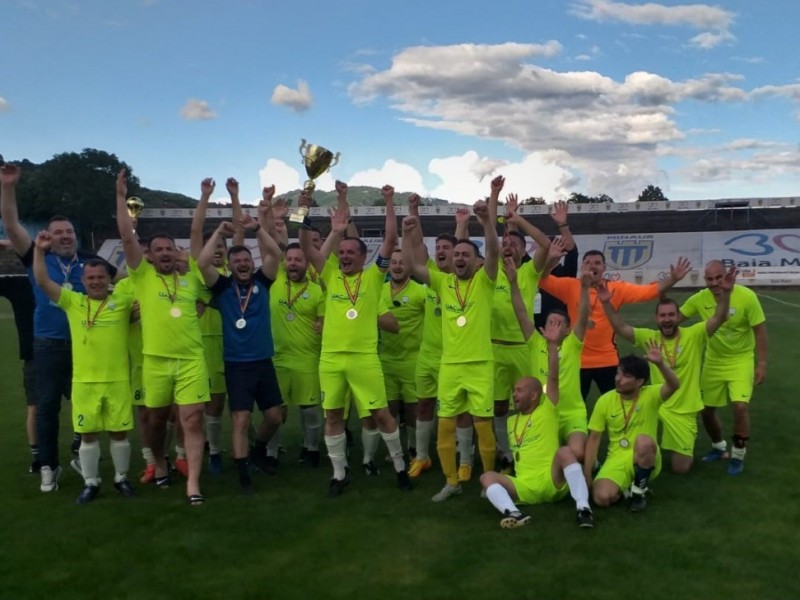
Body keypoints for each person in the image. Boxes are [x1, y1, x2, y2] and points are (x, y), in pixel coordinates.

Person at [1, 162, 117, 493]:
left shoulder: (90, 261)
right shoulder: (36, 256)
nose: (65, 236)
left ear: (75, 236)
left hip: (84, 344)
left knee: (87, 405)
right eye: (58, 232)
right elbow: (11, 223)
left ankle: (81, 453)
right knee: (47, 408)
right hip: (47, 344)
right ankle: (49, 466)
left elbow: (126, 280)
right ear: (48, 237)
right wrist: (7, 186)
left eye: (69, 231)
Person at [301, 181, 411, 496]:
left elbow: (390, 239)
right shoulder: (331, 275)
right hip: (331, 359)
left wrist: (389, 201)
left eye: (351, 252)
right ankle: (339, 474)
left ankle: (400, 467)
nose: (344, 256)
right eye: (342, 252)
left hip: (364, 359)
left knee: (381, 414)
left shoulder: (375, 276)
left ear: (363, 256)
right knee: (333, 415)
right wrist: (306, 206)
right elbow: (306, 247)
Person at [401, 176, 502, 502]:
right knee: (445, 425)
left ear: (475, 260)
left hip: (480, 365)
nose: (459, 257)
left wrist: (486, 220)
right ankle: (451, 482)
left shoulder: (485, 281)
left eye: (465, 254)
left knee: (482, 425)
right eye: (456, 254)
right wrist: (405, 233)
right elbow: (413, 265)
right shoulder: (443, 283)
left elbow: (494, 249)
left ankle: (489, 482)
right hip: (450, 366)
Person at [116, 169, 209, 505]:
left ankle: (193, 484)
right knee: (155, 421)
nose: (165, 253)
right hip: (155, 362)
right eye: (159, 249)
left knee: (192, 419)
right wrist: (120, 197)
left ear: (176, 251)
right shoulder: (141, 277)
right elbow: (127, 238)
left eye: (170, 248)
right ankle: (160, 461)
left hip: (191, 360)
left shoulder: (192, 278)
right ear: (150, 255)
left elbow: (197, 236)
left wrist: (204, 198)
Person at [33, 231, 136, 503]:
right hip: (84, 382)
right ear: (83, 281)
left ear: (109, 279)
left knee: (119, 432)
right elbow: (42, 281)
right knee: (88, 435)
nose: (96, 281)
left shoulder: (123, 301)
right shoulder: (73, 302)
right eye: (91, 278)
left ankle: (121, 478)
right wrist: (39, 251)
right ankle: (91, 483)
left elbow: (142, 280)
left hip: (117, 380)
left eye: (101, 277)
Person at [600, 268, 735, 473]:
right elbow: (620, 327)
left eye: (671, 314)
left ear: (678, 316)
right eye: (662, 315)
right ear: (656, 318)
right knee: (635, 449)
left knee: (681, 468)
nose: (667, 319)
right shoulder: (649, 337)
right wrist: (606, 303)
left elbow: (720, 317)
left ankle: (664, 448)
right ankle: (641, 454)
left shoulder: (694, 334)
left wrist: (725, 294)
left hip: (684, 408)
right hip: (656, 404)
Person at [197, 202, 284, 493]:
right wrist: (218, 233)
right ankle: (244, 474)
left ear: (252, 262)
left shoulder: (263, 281)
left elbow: (276, 254)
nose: (243, 264)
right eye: (237, 261)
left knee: (275, 417)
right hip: (236, 365)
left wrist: (257, 228)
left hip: (263, 361)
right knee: (240, 418)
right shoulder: (222, 287)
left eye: (247, 260)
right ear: (230, 265)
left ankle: (257, 450)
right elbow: (202, 263)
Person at [479, 324, 593, 529]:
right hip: (524, 486)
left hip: (551, 480)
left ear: (533, 395)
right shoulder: (511, 421)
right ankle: (514, 513)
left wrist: (552, 346)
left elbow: (552, 378)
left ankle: (583, 508)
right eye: (514, 390)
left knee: (566, 452)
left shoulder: (547, 410)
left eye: (519, 390)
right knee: (486, 477)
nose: (514, 394)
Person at [539, 248, 691, 400]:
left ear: (604, 268)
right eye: (588, 262)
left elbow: (647, 291)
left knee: (618, 403)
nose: (592, 266)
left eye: (597, 263)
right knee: (573, 403)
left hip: (607, 359)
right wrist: (550, 262)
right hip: (576, 359)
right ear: (582, 267)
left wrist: (672, 279)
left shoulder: (615, 289)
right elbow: (542, 279)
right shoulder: (570, 286)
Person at [679, 260, 768, 475]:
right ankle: (719, 447)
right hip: (713, 360)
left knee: (740, 408)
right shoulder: (699, 299)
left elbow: (759, 330)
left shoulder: (746, 296)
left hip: (741, 359)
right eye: (709, 279)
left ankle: (738, 455)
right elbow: (674, 319)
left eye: (718, 277)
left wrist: (762, 363)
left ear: (726, 275)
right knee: (706, 410)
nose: (714, 283)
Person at [507, 242, 591, 462]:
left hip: (572, 413)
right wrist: (513, 283)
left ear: (568, 329)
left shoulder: (573, 343)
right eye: (550, 322)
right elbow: (520, 312)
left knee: (577, 453)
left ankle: (592, 462)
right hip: (543, 412)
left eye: (558, 323)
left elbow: (583, 314)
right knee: (545, 458)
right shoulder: (535, 342)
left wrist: (584, 288)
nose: (553, 325)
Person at [488, 193, 551, 473]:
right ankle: (505, 452)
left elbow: (545, 244)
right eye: (506, 244)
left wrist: (517, 219)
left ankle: (527, 447)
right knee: (499, 405)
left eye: (515, 245)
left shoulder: (528, 272)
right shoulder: (490, 274)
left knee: (527, 403)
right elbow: (492, 237)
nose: (509, 246)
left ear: (524, 251)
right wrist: (496, 202)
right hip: (494, 347)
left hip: (523, 348)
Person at [583, 345, 680, 512]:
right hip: (616, 458)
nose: (618, 379)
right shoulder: (605, 400)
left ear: (640, 382)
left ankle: (638, 493)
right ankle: (627, 488)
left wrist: (660, 364)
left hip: (646, 456)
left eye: (626, 376)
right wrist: (587, 474)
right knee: (601, 498)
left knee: (644, 441)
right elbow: (594, 438)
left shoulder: (651, 395)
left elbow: (674, 385)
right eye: (618, 373)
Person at [189, 177, 244, 475]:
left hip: (234, 341)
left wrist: (234, 196)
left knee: (237, 404)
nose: (220, 250)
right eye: (216, 246)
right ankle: (214, 452)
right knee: (212, 404)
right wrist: (205, 197)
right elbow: (196, 231)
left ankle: (242, 450)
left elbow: (239, 234)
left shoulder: (234, 272)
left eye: (223, 246)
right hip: (206, 343)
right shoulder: (201, 272)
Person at [269, 240, 325, 467]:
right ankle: (271, 452)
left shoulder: (317, 291)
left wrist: (322, 325)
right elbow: (270, 247)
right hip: (277, 359)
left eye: (298, 259)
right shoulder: (276, 281)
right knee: (275, 410)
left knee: (310, 410)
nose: (293, 263)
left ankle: (312, 449)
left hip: (307, 358)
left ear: (307, 263)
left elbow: (324, 321)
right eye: (289, 259)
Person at [379, 247, 427, 460]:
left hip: (412, 359)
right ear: (389, 266)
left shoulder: (420, 291)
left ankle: (414, 447)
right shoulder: (378, 290)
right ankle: (395, 451)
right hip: (386, 360)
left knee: (413, 408)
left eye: (402, 262)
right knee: (390, 408)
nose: (397, 266)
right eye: (394, 262)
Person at [0, 243, 38, 473]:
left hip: (70, 350)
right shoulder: (19, 282)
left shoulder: (60, 279)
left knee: (80, 402)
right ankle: (38, 457)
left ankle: (80, 443)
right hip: (34, 353)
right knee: (35, 406)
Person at [532, 201, 578, 330]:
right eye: (544, 249)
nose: (548, 252)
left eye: (553, 248)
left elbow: (572, 252)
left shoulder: (565, 273)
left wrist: (562, 225)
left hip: (559, 331)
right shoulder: (532, 270)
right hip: (533, 331)